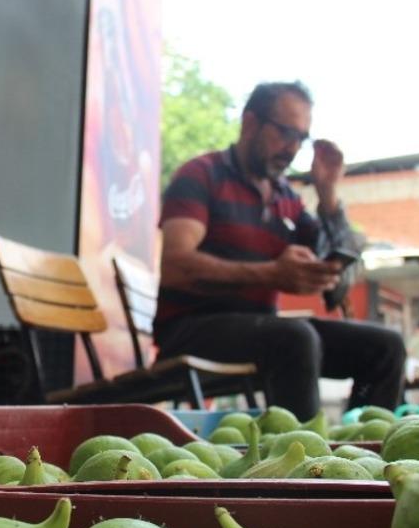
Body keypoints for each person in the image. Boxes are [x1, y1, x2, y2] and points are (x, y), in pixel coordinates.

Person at [155, 81, 406, 419]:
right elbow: (175, 265)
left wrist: (328, 195)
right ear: (250, 123)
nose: (292, 148)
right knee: (294, 337)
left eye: (301, 138)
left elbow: (339, 284)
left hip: (263, 331)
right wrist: (271, 273)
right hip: (189, 330)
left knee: (386, 347)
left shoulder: (285, 198)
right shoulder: (202, 175)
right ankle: (301, 459)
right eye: (285, 133)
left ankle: (360, 448)